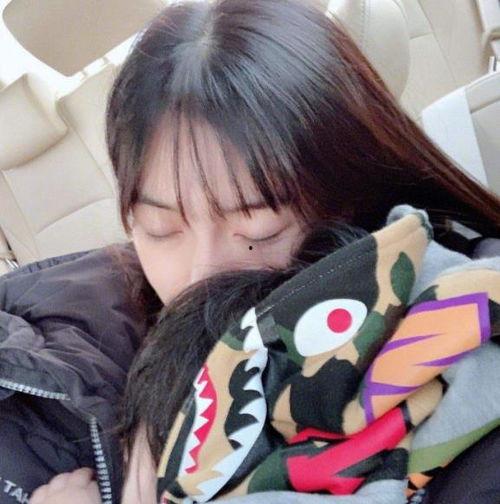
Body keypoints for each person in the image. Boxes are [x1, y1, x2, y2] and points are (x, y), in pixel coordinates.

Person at [0, 0, 495, 502]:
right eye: (160, 228)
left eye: (259, 228)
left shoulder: (455, 333)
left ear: (347, 201)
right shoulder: (37, 334)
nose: (202, 274)